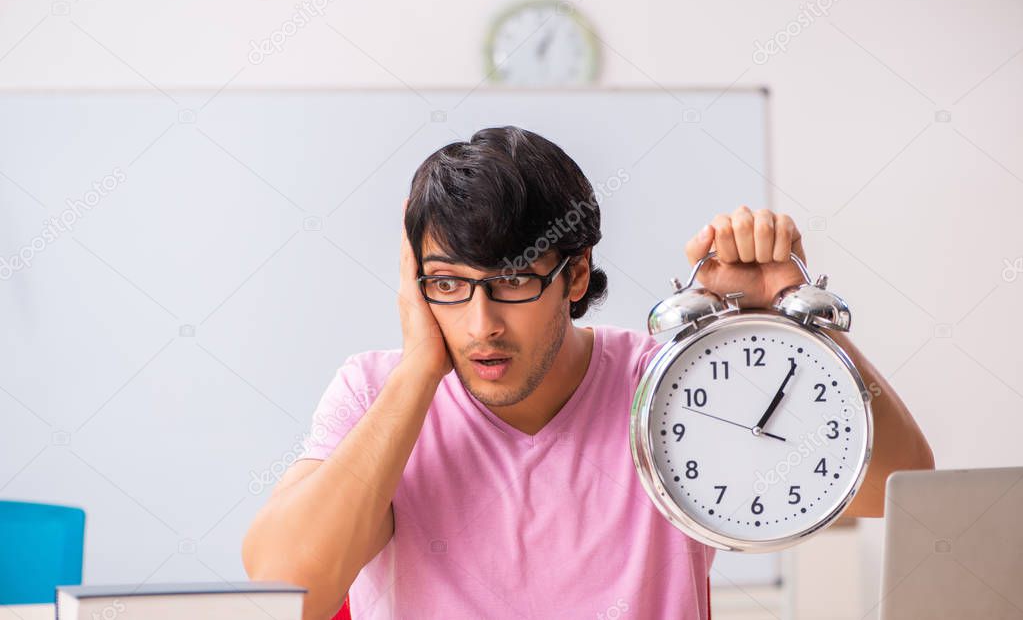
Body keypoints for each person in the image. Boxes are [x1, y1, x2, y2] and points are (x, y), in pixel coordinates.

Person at [242, 126, 934, 620]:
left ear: (574, 274)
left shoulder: (669, 383)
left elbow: (893, 489)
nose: (480, 324)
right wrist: (420, 370)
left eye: (511, 281)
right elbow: (287, 581)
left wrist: (790, 322)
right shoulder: (375, 392)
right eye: (449, 284)